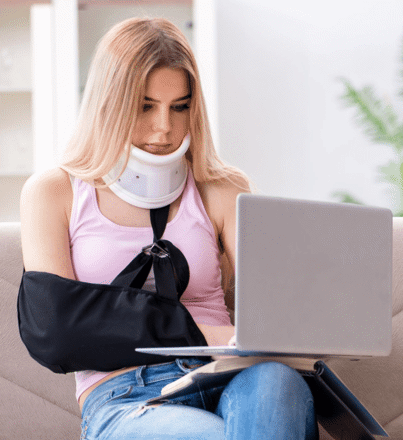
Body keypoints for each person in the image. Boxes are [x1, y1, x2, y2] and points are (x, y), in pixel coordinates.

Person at [20, 17, 318, 440]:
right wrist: (205, 332)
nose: (164, 127)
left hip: (231, 376)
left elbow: (277, 316)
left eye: (179, 106)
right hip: (127, 396)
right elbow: (56, 331)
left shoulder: (221, 188)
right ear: (110, 103)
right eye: (145, 105)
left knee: (278, 384)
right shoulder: (54, 193)